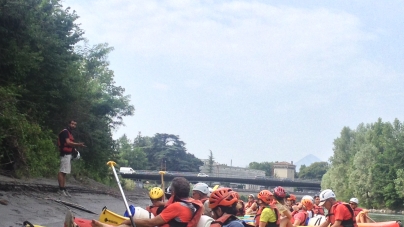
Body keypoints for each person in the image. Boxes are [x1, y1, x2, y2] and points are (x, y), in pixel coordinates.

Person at [91, 177, 203, 227]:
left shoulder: (177, 207)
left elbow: (151, 223)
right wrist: (161, 204)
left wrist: (129, 221)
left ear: (173, 192)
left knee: (132, 224)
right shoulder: (191, 203)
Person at [57, 120, 86, 197]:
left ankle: (63, 188)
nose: (73, 125)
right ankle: (61, 189)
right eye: (72, 124)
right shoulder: (66, 132)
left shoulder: (69, 132)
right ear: (69, 124)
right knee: (62, 171)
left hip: (68, 154)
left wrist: (74, 150)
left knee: (65, 172)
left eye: (75, 124)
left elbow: (70, 144)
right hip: (65, 154)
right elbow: (68, 142)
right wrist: (78, 144)